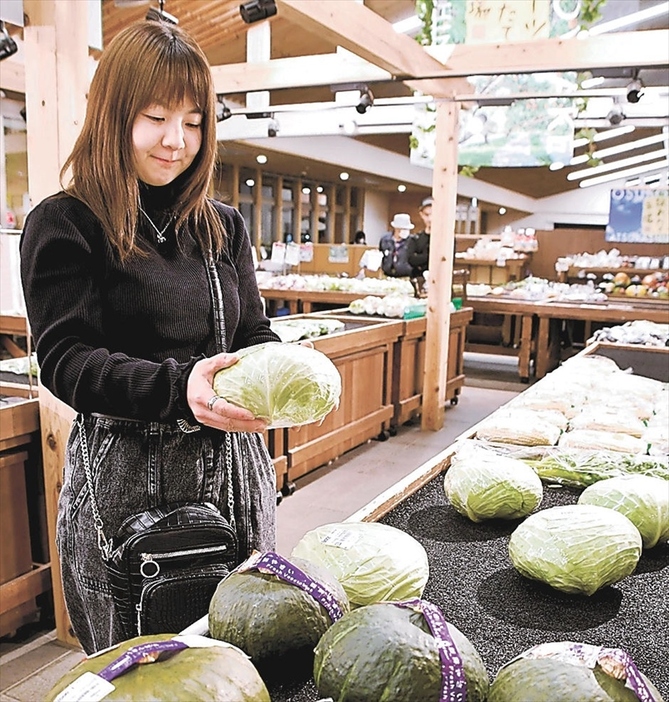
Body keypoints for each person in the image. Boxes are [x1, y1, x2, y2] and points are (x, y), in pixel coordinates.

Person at [19, 20, 281, 654]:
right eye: (156, 117)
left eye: (194, 122)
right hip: (131, 483)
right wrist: (178, 387)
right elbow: (65, 360)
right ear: (113, 117)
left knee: (240, 653)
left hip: (237, 473)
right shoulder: (66, 224)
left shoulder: (221, 225)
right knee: (143, 669)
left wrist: (279, 371)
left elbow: (251, 330)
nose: (176, 141)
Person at [379, 213, 414, 277]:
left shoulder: (412, 241)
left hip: (406, 276)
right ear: (396, 228)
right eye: (403, 229)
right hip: (387, 275)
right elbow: (381, 256)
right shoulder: (385, 239)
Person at [407, 196, 432, 279]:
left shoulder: (447, 240)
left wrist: (421, 257)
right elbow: (411, 259)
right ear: (421, 215)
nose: (430, 219)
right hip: (418, 281)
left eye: (433, 214)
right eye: (427, 215)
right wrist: (430, 257)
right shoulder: (416, 238)